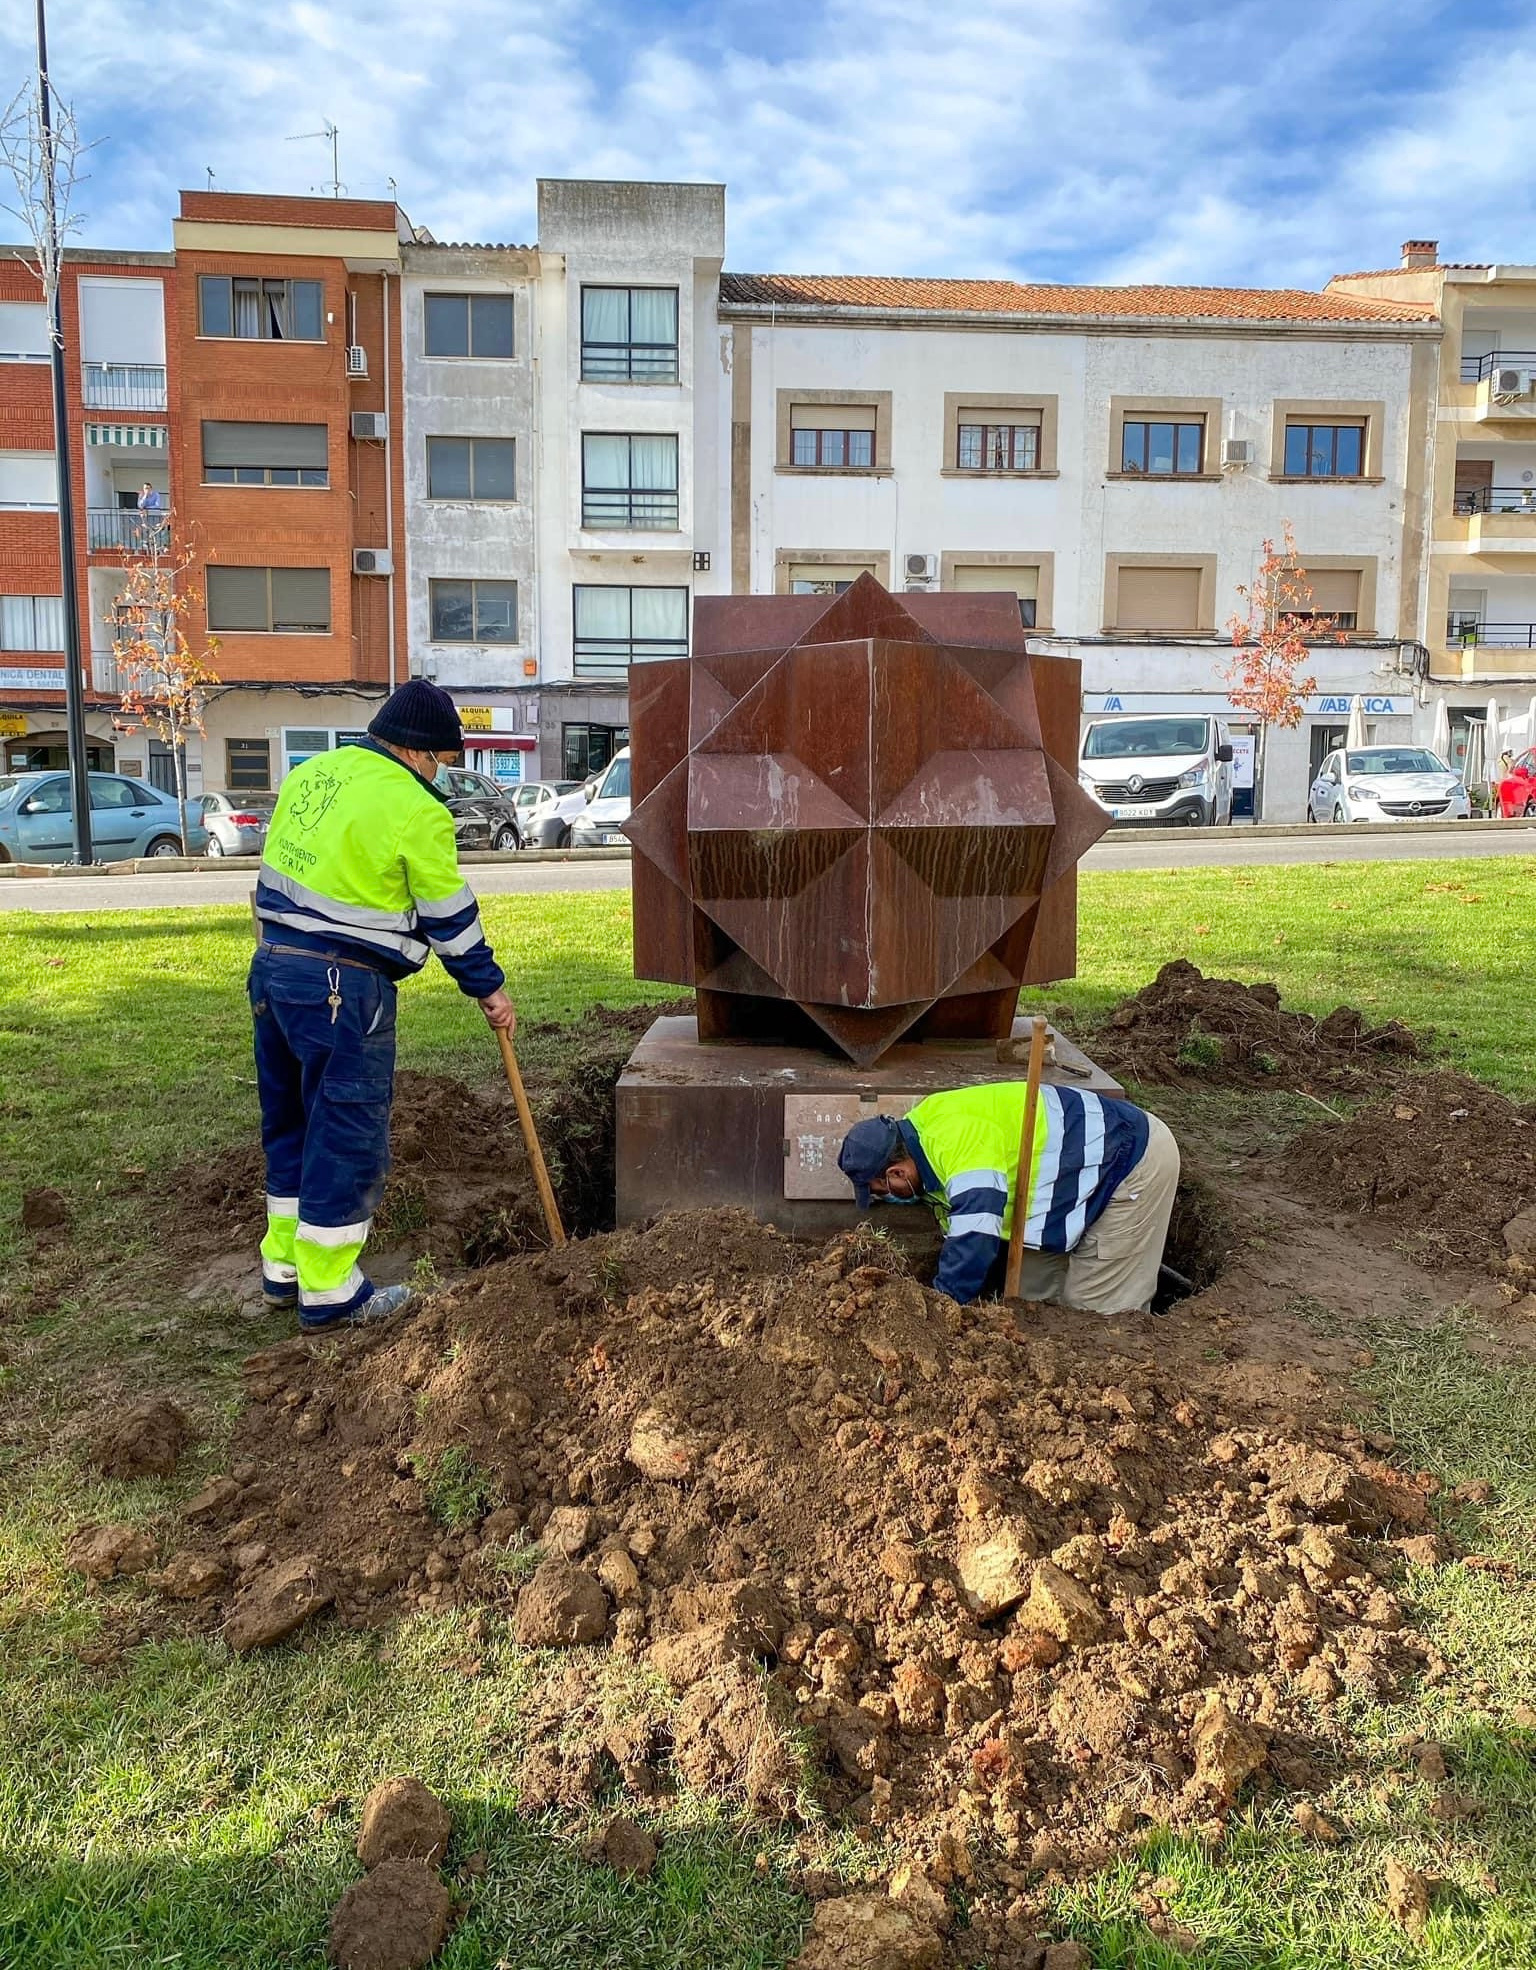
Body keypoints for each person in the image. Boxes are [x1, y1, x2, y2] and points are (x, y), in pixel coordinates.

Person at [250, 677, 515, 1330]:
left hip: (272, 971)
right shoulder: (416, 809)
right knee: (345, 1132)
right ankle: (332, 1290)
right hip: (343, 990)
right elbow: (450, 918)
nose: (442, 776)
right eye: (443, 763)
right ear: (419, 752)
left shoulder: (315, 773)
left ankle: (284, 1270)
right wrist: (488, 986)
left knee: (292, 1124)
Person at [837, 1080, 1179, 1315]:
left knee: (1092, 1312)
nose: (889, 1198)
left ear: (896, 1173)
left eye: (882, 1192)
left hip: (1127, 1162)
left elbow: (975, 1235)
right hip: (1065, 1187)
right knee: (1031, 1305)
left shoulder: (958, 1141)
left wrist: (942, 1306)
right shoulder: (919, 1138)